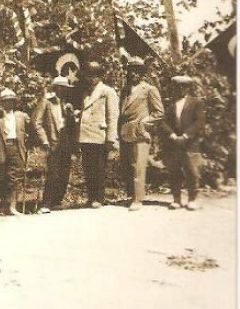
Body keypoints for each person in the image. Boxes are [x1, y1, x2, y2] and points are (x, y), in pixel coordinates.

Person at [118, 58, 164, 211]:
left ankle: (138, 198)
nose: (133, 74)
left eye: (137, 71)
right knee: (128, 166)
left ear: (142, 73)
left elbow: (159, 113)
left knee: (138, 166)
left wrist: (144, 123)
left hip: (140, 132)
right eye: (130, 70)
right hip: (125, 131)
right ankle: (132, 195)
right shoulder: (125, 90)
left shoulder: (149, 90)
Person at [32, 76, 78, 213]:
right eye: (61, 88)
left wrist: (71, 115)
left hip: (66, 140)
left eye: (65, 88)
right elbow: (36, 122)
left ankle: (57, 200)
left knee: (64, 172)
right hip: (53, 140)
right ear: (56, 88)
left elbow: (71, 125)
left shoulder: (66, 104)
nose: (63, 90)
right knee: (53, 172)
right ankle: (46, 203)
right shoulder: (46, 102)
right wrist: (44, 140)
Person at [159, 75, 205, 210]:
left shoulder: (196, 102)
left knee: (192, 171)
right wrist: (172, 135)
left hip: (190, 143)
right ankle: (176, 199)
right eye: (178, 86)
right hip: (174, 143)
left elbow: (199, 122)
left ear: (188, 88)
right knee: (174, 171)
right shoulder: (169, 103)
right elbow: (162, 122)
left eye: (184, 86)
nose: (181, 89)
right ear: (174, 87)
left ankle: (192, 199)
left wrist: (186, 136)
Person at [77, 61, 119, 208]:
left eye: (94, 75)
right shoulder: (85, 92)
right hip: (85, 135)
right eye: (89, 75)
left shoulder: (107, 92)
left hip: (99, 135)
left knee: (99, 168)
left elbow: (112, 116)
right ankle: (91, 196)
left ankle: (99, 198)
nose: (91, 79)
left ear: (100, 76)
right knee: (88, 168)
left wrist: (111, 138)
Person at [0, 88, 31, 215]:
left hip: (16, 147)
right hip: (1, 149)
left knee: (16, 176)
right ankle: (3, 204)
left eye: (10, 101)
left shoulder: (21, 116)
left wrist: (29, 141)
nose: (8, 104)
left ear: (14, 102)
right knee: (2, 177)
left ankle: (13, 206)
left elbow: (33, 129)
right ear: (1, 103)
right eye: (5, 102)